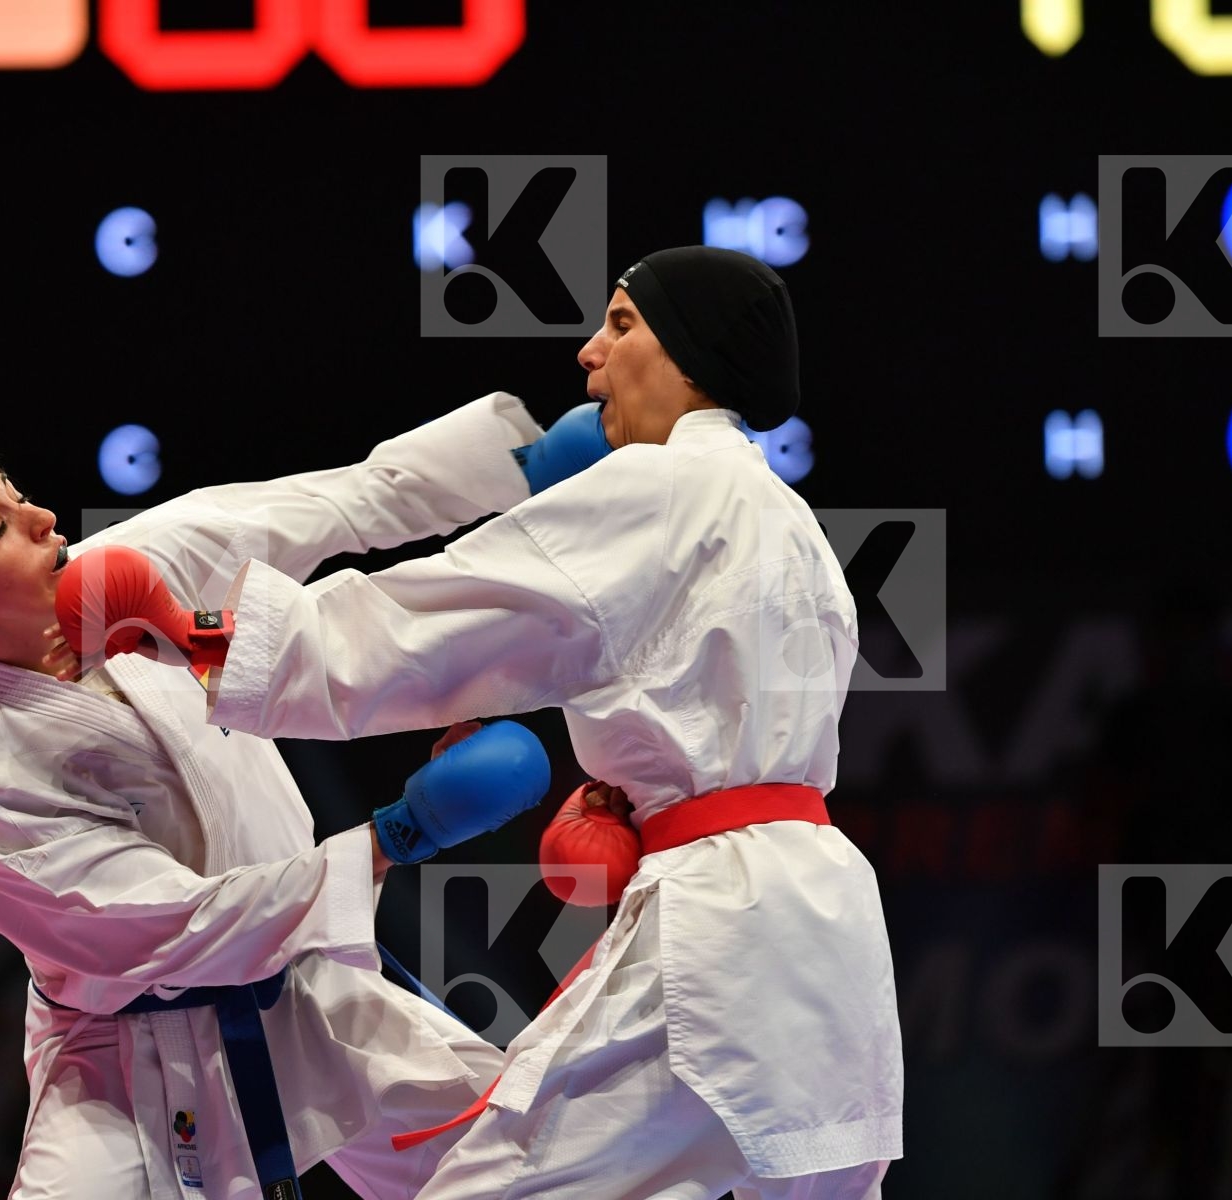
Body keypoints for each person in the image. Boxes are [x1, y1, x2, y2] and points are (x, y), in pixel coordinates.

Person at [195, 248, 905, 1198]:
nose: (588, 353)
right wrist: (638, 783)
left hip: (720, 932)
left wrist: (206, 633)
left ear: (689, 355)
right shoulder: (792, 521)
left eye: (621, 324)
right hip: (828, 932)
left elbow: (439, 616)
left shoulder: (660, 486)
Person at [0, 392, 611, 1200]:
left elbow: (345, 498)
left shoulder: (136, 564)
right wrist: (398, 836)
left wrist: (522, 467)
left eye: (19, 496)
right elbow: (179, 928)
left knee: (540, 1173)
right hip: (133, 1060)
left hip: (312, 988)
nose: (43, 518)